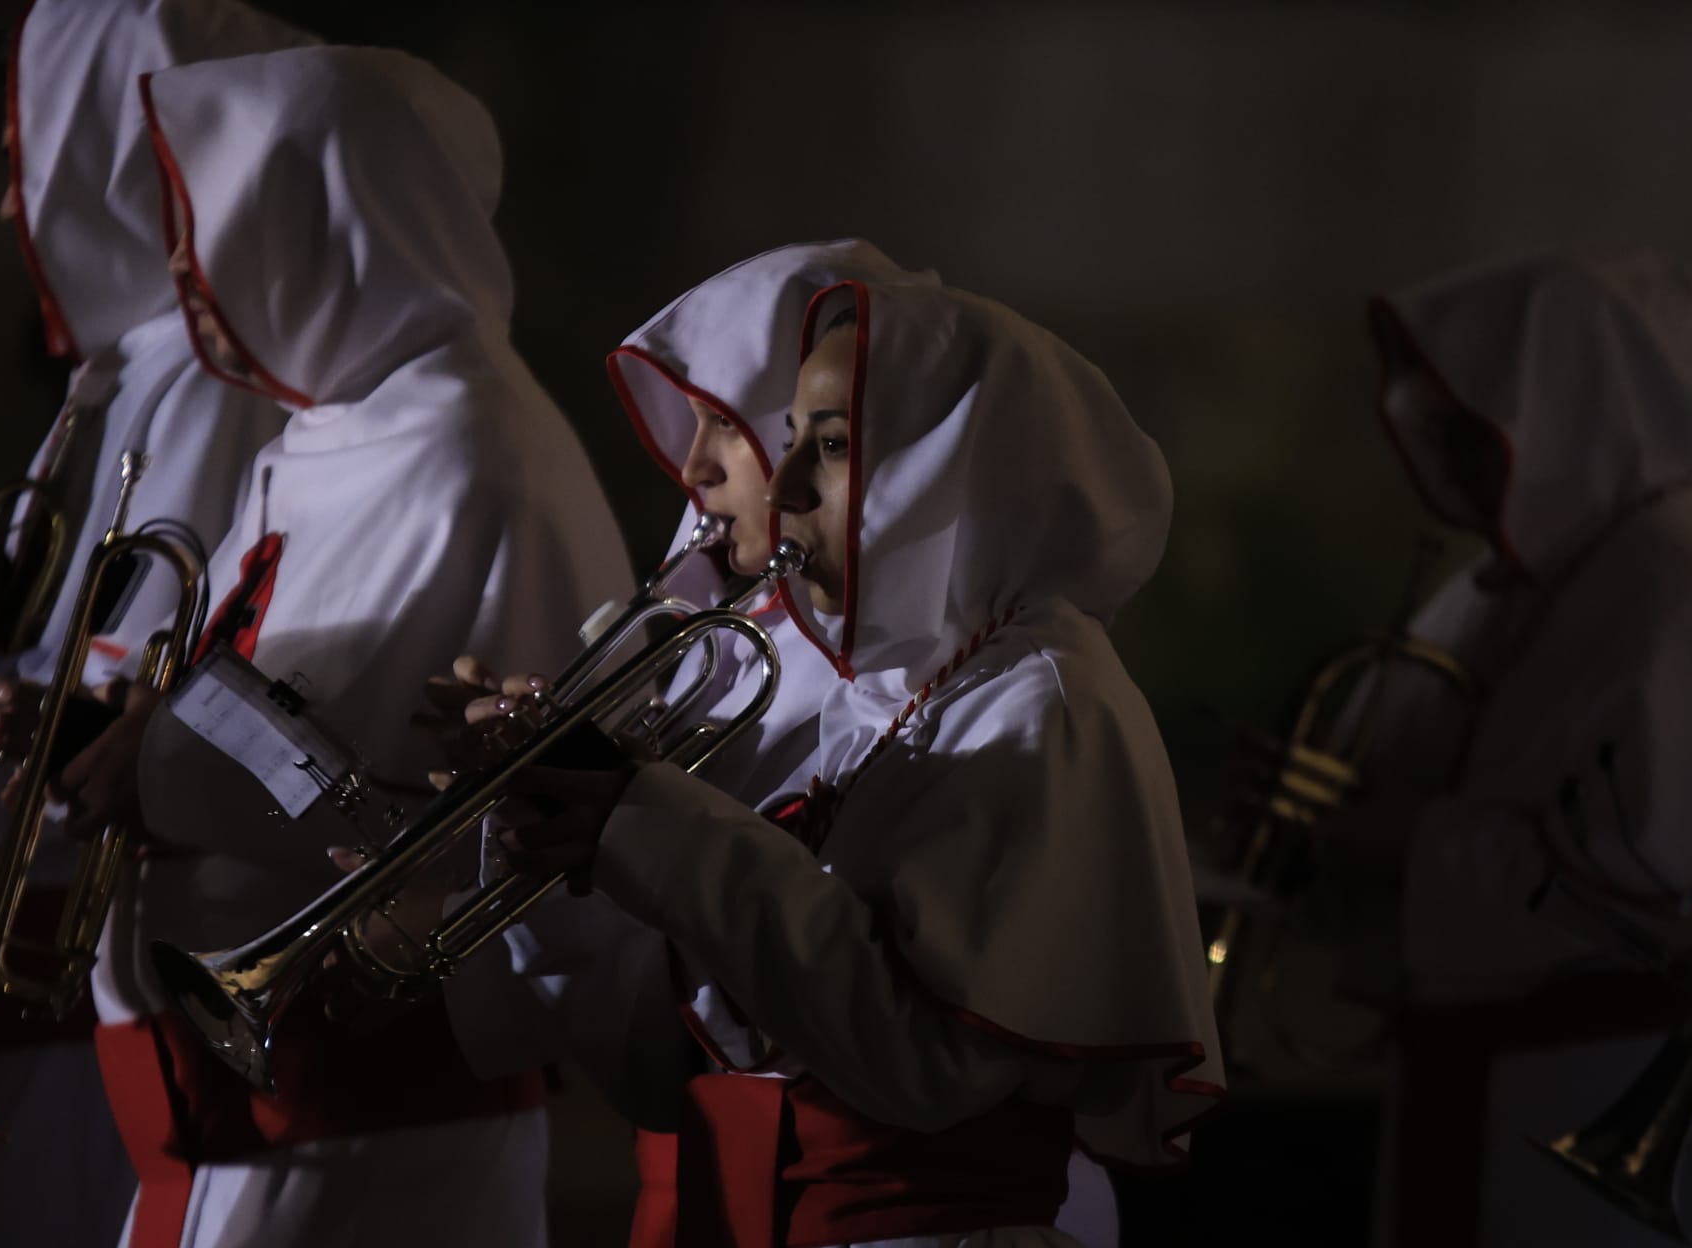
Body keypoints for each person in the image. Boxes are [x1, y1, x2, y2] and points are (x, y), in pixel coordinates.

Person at [0, 42, 632, 1248]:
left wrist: (152, 767)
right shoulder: (336, 432)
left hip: (368, 1120)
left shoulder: (468, 450)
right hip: (228, 1113)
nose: (186, 269)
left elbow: (400, 787)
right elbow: (275, 700)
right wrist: (103, 736)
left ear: (333, 224)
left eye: (210, 226)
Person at [470, 259, 1220, 1246]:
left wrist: (660, 832)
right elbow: (664, 1076)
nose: (780, 489)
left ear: (952, 463)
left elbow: (921, 1069)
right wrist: (566, 856)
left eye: (828, 446)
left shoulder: (1046, 706)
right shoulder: (860, 687)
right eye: (785, 444)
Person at [1330, 245, 1692, 1246]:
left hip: (1592, 1082)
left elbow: (1650, 882)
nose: (1446, 459)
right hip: (1498, 1080)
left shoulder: (1681, 595)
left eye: (1474, 427)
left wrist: (1381, 840)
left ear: (1570, 408)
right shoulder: (1534, 570)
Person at [0, 3, 312, 1245]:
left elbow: (93, 722)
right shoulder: (129, 372)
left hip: (97, 978)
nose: (13, 209)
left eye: (28, 158)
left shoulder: (204, 374)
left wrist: (7, 698)